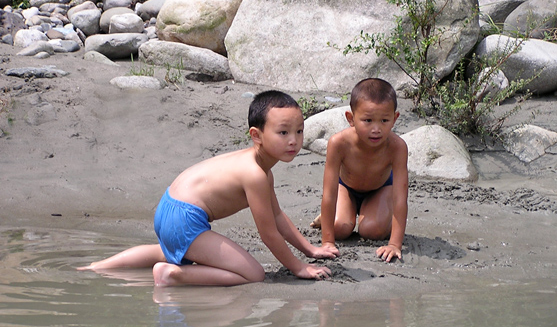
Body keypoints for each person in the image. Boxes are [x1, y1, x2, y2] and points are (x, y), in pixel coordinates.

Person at [80, 90, 336, 287]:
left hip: (168, 209)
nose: (294, 140)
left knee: (171, 249)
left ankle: (100, 266)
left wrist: (310, 249)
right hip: (185, 219)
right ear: (256, 135)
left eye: (299, 131)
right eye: (283, 133)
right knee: (254, 274)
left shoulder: (257, 168)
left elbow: (278, 216)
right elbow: (269, 233)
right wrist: (298, 267)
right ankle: (172, 275)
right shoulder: (255, 174)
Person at [312, 78, 408, 262]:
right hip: (346, 188)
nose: (376, 129)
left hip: (381, 189)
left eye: (384, 120)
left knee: (372, 231)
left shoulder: (397, 147)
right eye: (367, 120)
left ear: (394, 119)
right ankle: (334, 215)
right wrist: (327, 242)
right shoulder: (338, 143)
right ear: (351, 119)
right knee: (340, 228)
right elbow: (329, 193)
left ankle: (374, 213)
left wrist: (395, 244)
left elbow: (400, 198)